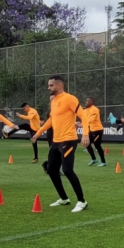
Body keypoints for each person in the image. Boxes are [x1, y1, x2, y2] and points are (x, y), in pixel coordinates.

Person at [31, 75, 90, 213]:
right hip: (56, 141)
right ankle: (64, 198)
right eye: (48, 85)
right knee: (51, 170)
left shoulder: (70, 99)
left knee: (68, 170)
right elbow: (51, 120)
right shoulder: (54, 101)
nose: (48, 88)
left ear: (60, 86)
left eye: (51, 85)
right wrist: (38, 133)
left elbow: (84, 116)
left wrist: (85, 134)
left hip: (68, 140)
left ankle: (82, 201)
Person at [83, 97, 107, 166]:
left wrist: (82, 124)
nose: (86, 102)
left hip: (98, 130)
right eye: (86, 101)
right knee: (86, 144)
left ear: (91, 102)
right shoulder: (86, 110)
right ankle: (94, 159)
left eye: (87, 101)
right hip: (91, 130)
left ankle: (103, 162)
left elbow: (91, 120)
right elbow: (83, 117)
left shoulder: (94, 109)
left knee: (97, 146)